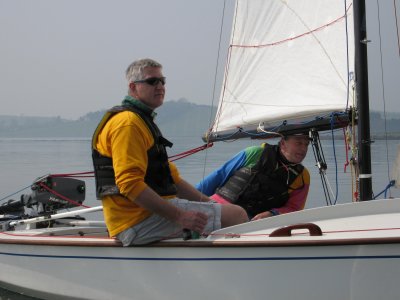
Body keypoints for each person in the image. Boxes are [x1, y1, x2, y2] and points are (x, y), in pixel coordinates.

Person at [92, 58, 248, 246]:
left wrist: (211, 204)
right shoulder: (128, 124)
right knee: (236, 215)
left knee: (224, 211)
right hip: (134, 222)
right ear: (133, 88)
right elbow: (129, 184)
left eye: (162, 81)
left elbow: (172, 179)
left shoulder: (142, 121)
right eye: (152, 81)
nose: (160, 86)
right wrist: (180, 216)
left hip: (146, 217)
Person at [196, 135, 310, 220]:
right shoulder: (254, 153)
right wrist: (187, 201)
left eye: (306, 144)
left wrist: (272, 214)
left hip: (250, 224)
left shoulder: (302, 177)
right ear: (283, 143)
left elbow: (294, 208)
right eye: (299, 143)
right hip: (214, 209)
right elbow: (218, 176)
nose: (303, 149)